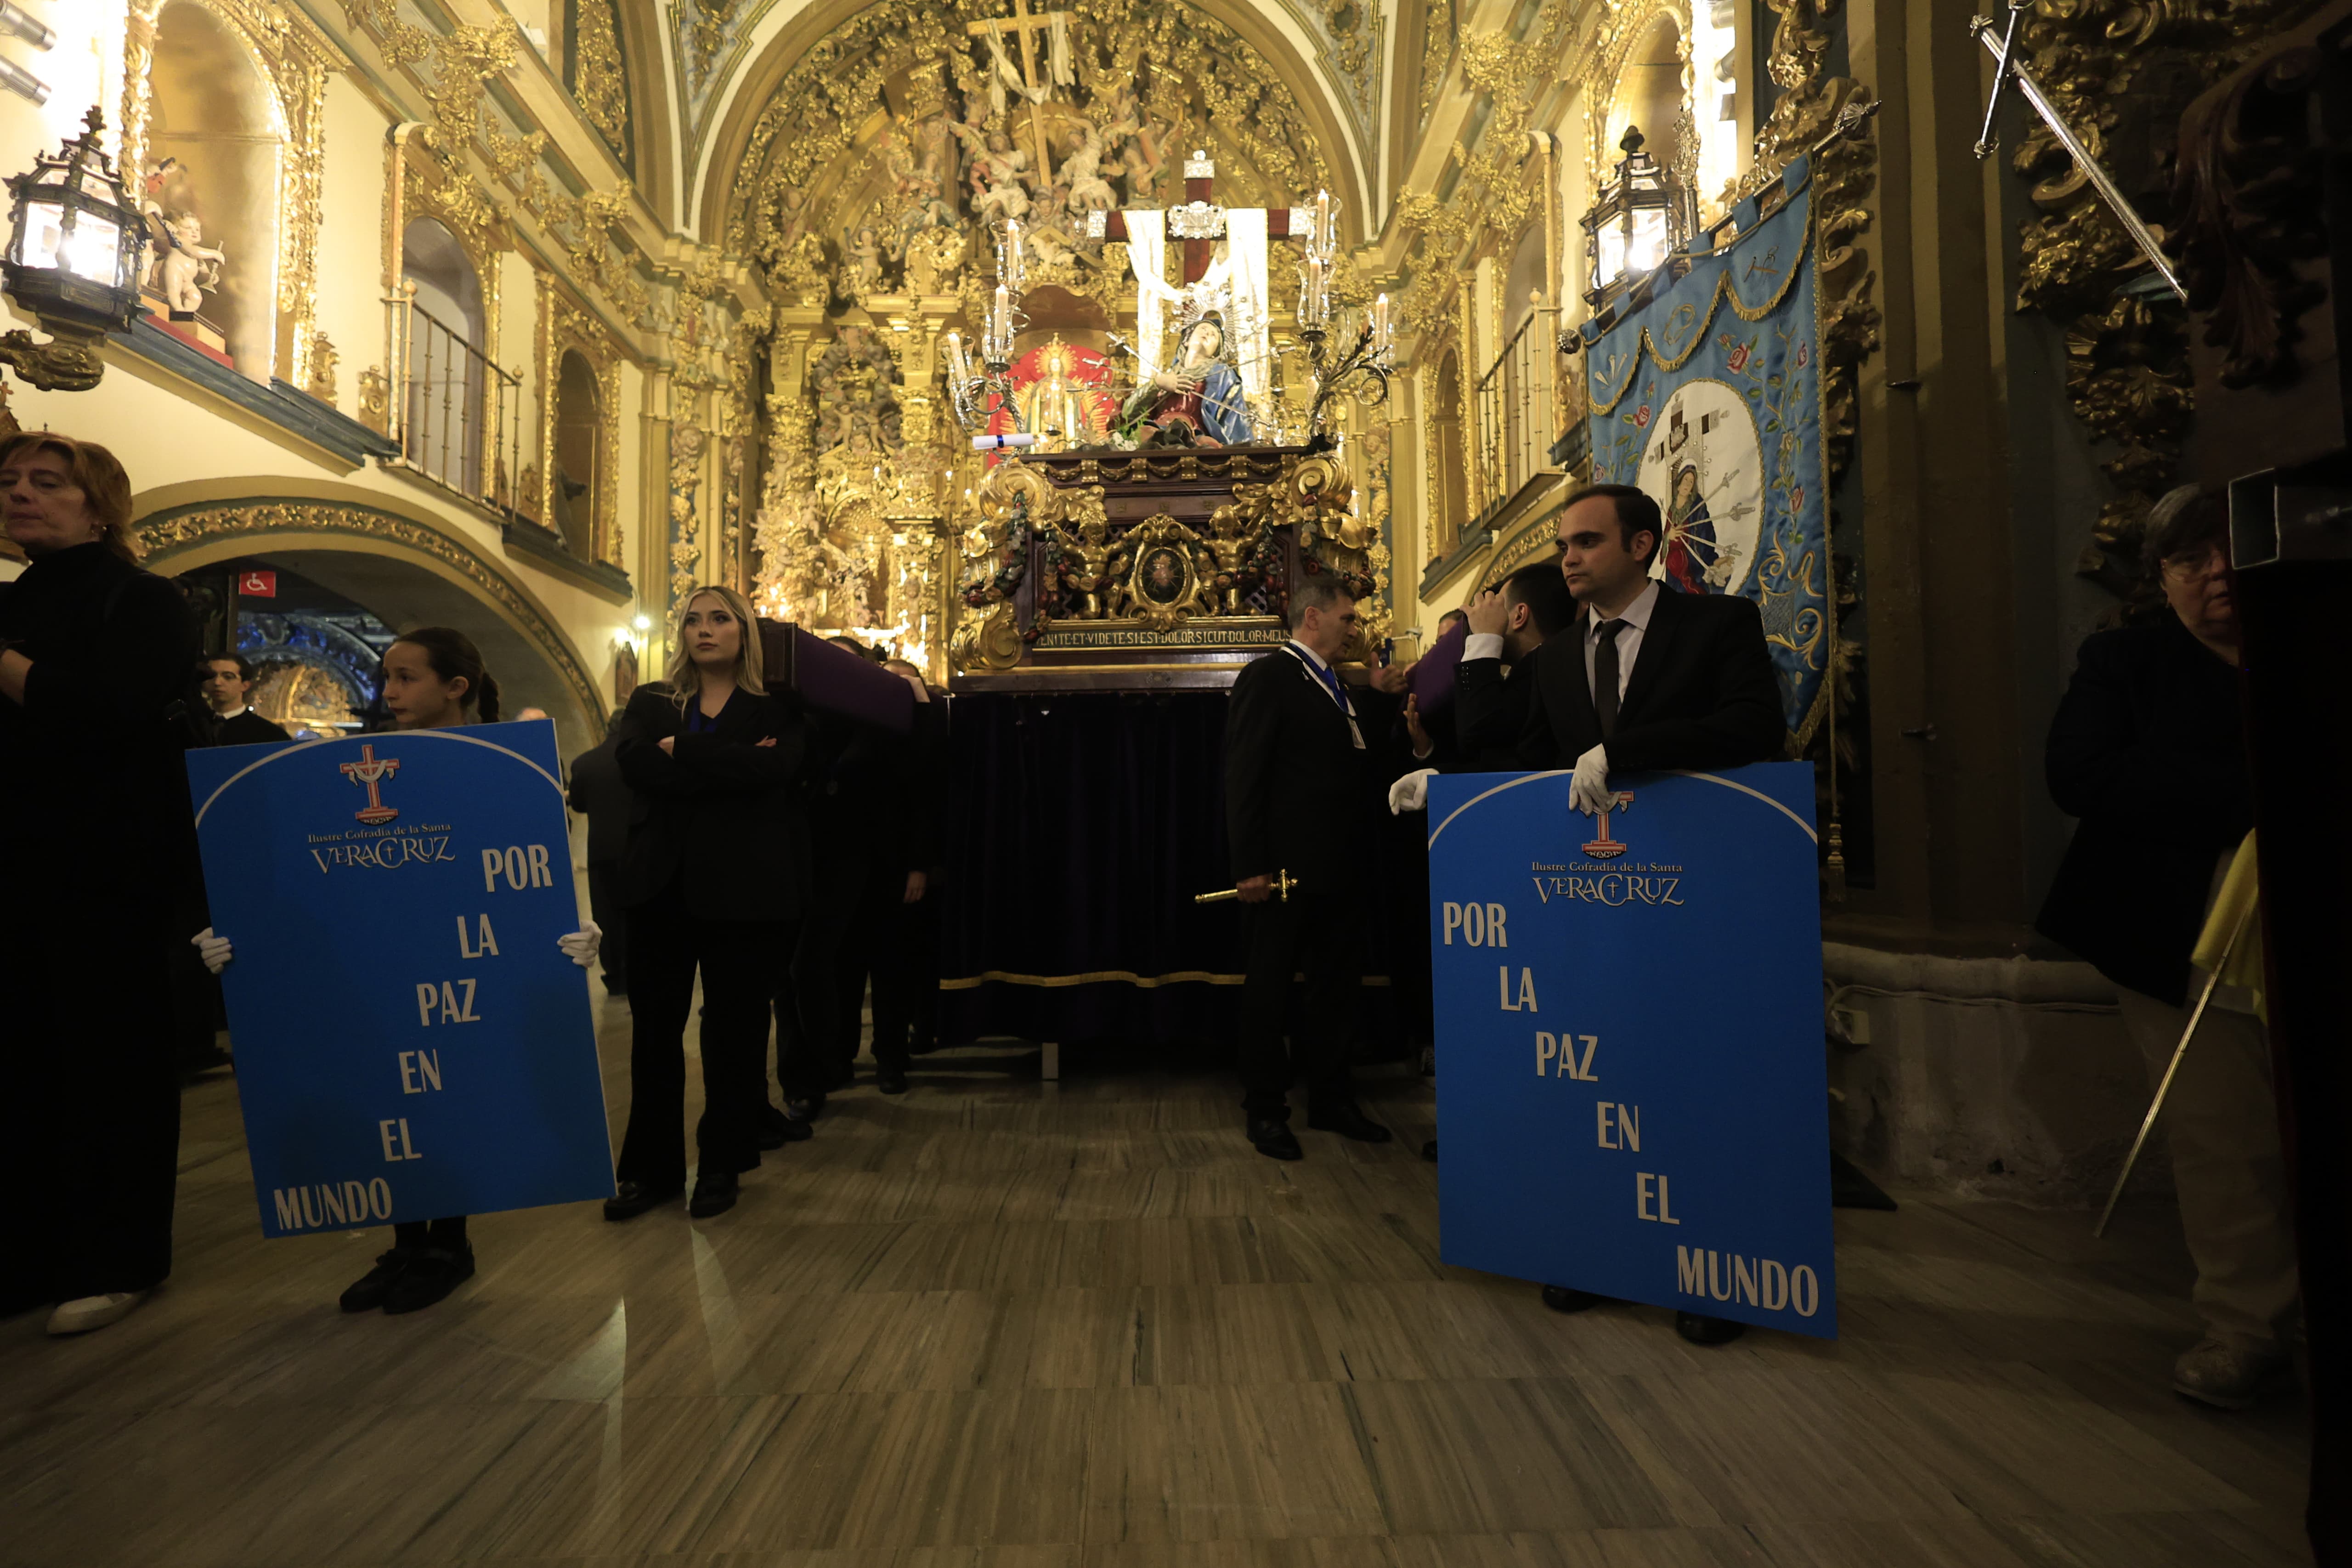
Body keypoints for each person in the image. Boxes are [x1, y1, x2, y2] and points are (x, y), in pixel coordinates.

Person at [196, 626, 602, 1315]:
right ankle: (407, 1238)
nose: (389, 693)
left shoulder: (498, 770)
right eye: (387, 678)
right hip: (389, 960)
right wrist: (245, 937)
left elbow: (530, 875)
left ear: (456, 687)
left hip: (462, 962)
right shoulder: (354, 769)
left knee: (449, 1088)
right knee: (392, 1088)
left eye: (406, 678)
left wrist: (567, 933)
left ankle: (449, 1243)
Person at [2036, 487, 2296, 1410]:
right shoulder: (2125, 660)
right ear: (2163, 578)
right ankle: (2246, 1326)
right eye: (2192, 560)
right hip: (2178, 934)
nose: (2217, 573)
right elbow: (2082, 773)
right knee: (2227, 1138)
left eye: (2235, 551)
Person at [0, 433, 202, 1336]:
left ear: (100, 504)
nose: (21, 495)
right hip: (15, 858)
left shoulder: (145, 598)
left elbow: (108, 709)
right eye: (8, 483)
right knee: (25, 1064)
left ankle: (117, 1254)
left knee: (111, 1059)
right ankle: (29, 1253)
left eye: (48, 483)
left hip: (106, 865)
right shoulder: (14, 601)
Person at [606, 585, 812, 1224]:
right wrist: (729, 767)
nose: (705, 629)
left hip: (745, 890)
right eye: (693, 619)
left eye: (720, 619)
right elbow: (635, 765)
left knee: (734, 1035)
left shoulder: (778, 707)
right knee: (654, 1037)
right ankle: (651, 1171)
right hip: (659, 887)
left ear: (744, 632)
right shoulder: (652, 700)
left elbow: (774, 777)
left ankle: (722, 1164)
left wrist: (687, 752)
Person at [1223, 574, 1413, 1160]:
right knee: (1271, 987)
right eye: (1347, 617)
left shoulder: (1337, 684)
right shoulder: (1269, 676)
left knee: (1336, 988)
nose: (1353, 627)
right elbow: (1244, 774)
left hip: (1341, 868)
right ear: (1312, 618)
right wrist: (1250, 864)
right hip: (1282, 871)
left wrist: (1381, 695)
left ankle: (1331, 1098)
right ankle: (1264, 1108)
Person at [835, 658, 945, 1096]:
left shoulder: (918, 736)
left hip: (896, 866)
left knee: (892, 972)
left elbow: (924, 799)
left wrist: (919, 865)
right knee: (845, 971)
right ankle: (840, 1056)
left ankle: (891, 1058)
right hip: (846, 866)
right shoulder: (850, 726)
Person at [567, 711, 634, 997]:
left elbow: (579, 805)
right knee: (636, 916)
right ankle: (638, 972)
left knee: (606, 916)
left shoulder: (585, 763)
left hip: (601, 852)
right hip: (639, 851)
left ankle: (616, 977)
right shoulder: (641, 762)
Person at [198, 653, 291, 744]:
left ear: (245, 686)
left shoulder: (270, 734)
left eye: (228, 677)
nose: (217, 683)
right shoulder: (192, 727)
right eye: (211, 676)